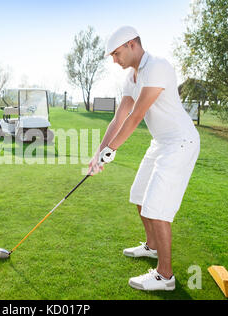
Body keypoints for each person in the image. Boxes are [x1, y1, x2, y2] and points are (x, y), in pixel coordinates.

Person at [88, 26, 200, 291]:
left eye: (116, 54)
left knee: (156, 207)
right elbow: (119, 117)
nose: (114, 60)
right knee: (138, 196)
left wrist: (109, 152)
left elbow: (135, 117)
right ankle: (151, 247)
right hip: (160, 143)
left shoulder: (157, 67)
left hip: (180, 143)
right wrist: (98, 154)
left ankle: (165, 276)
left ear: (131, 45)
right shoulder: (132, 78)